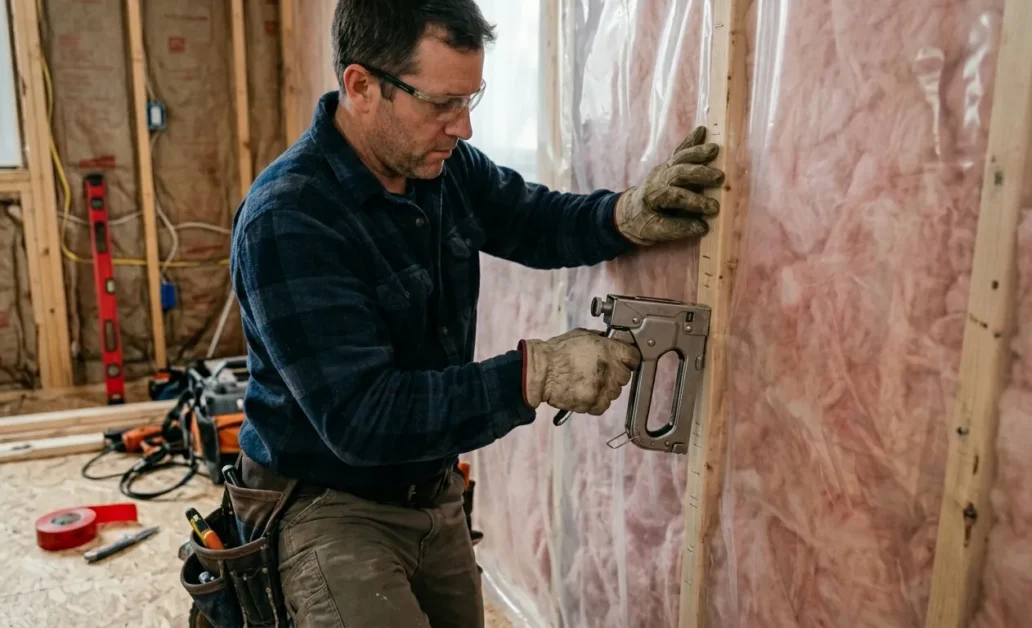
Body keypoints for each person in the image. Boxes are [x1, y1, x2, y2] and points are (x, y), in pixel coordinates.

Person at [227, 1, 724, 625]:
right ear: (361, 87)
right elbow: (362, 418)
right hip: (327, 501)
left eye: (471, 99)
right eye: (441, 104)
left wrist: (622, 215)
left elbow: (530, 220)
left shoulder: (441, 169)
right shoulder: (290, 219)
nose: (462, 128)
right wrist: (532, 375)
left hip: (429, 490)